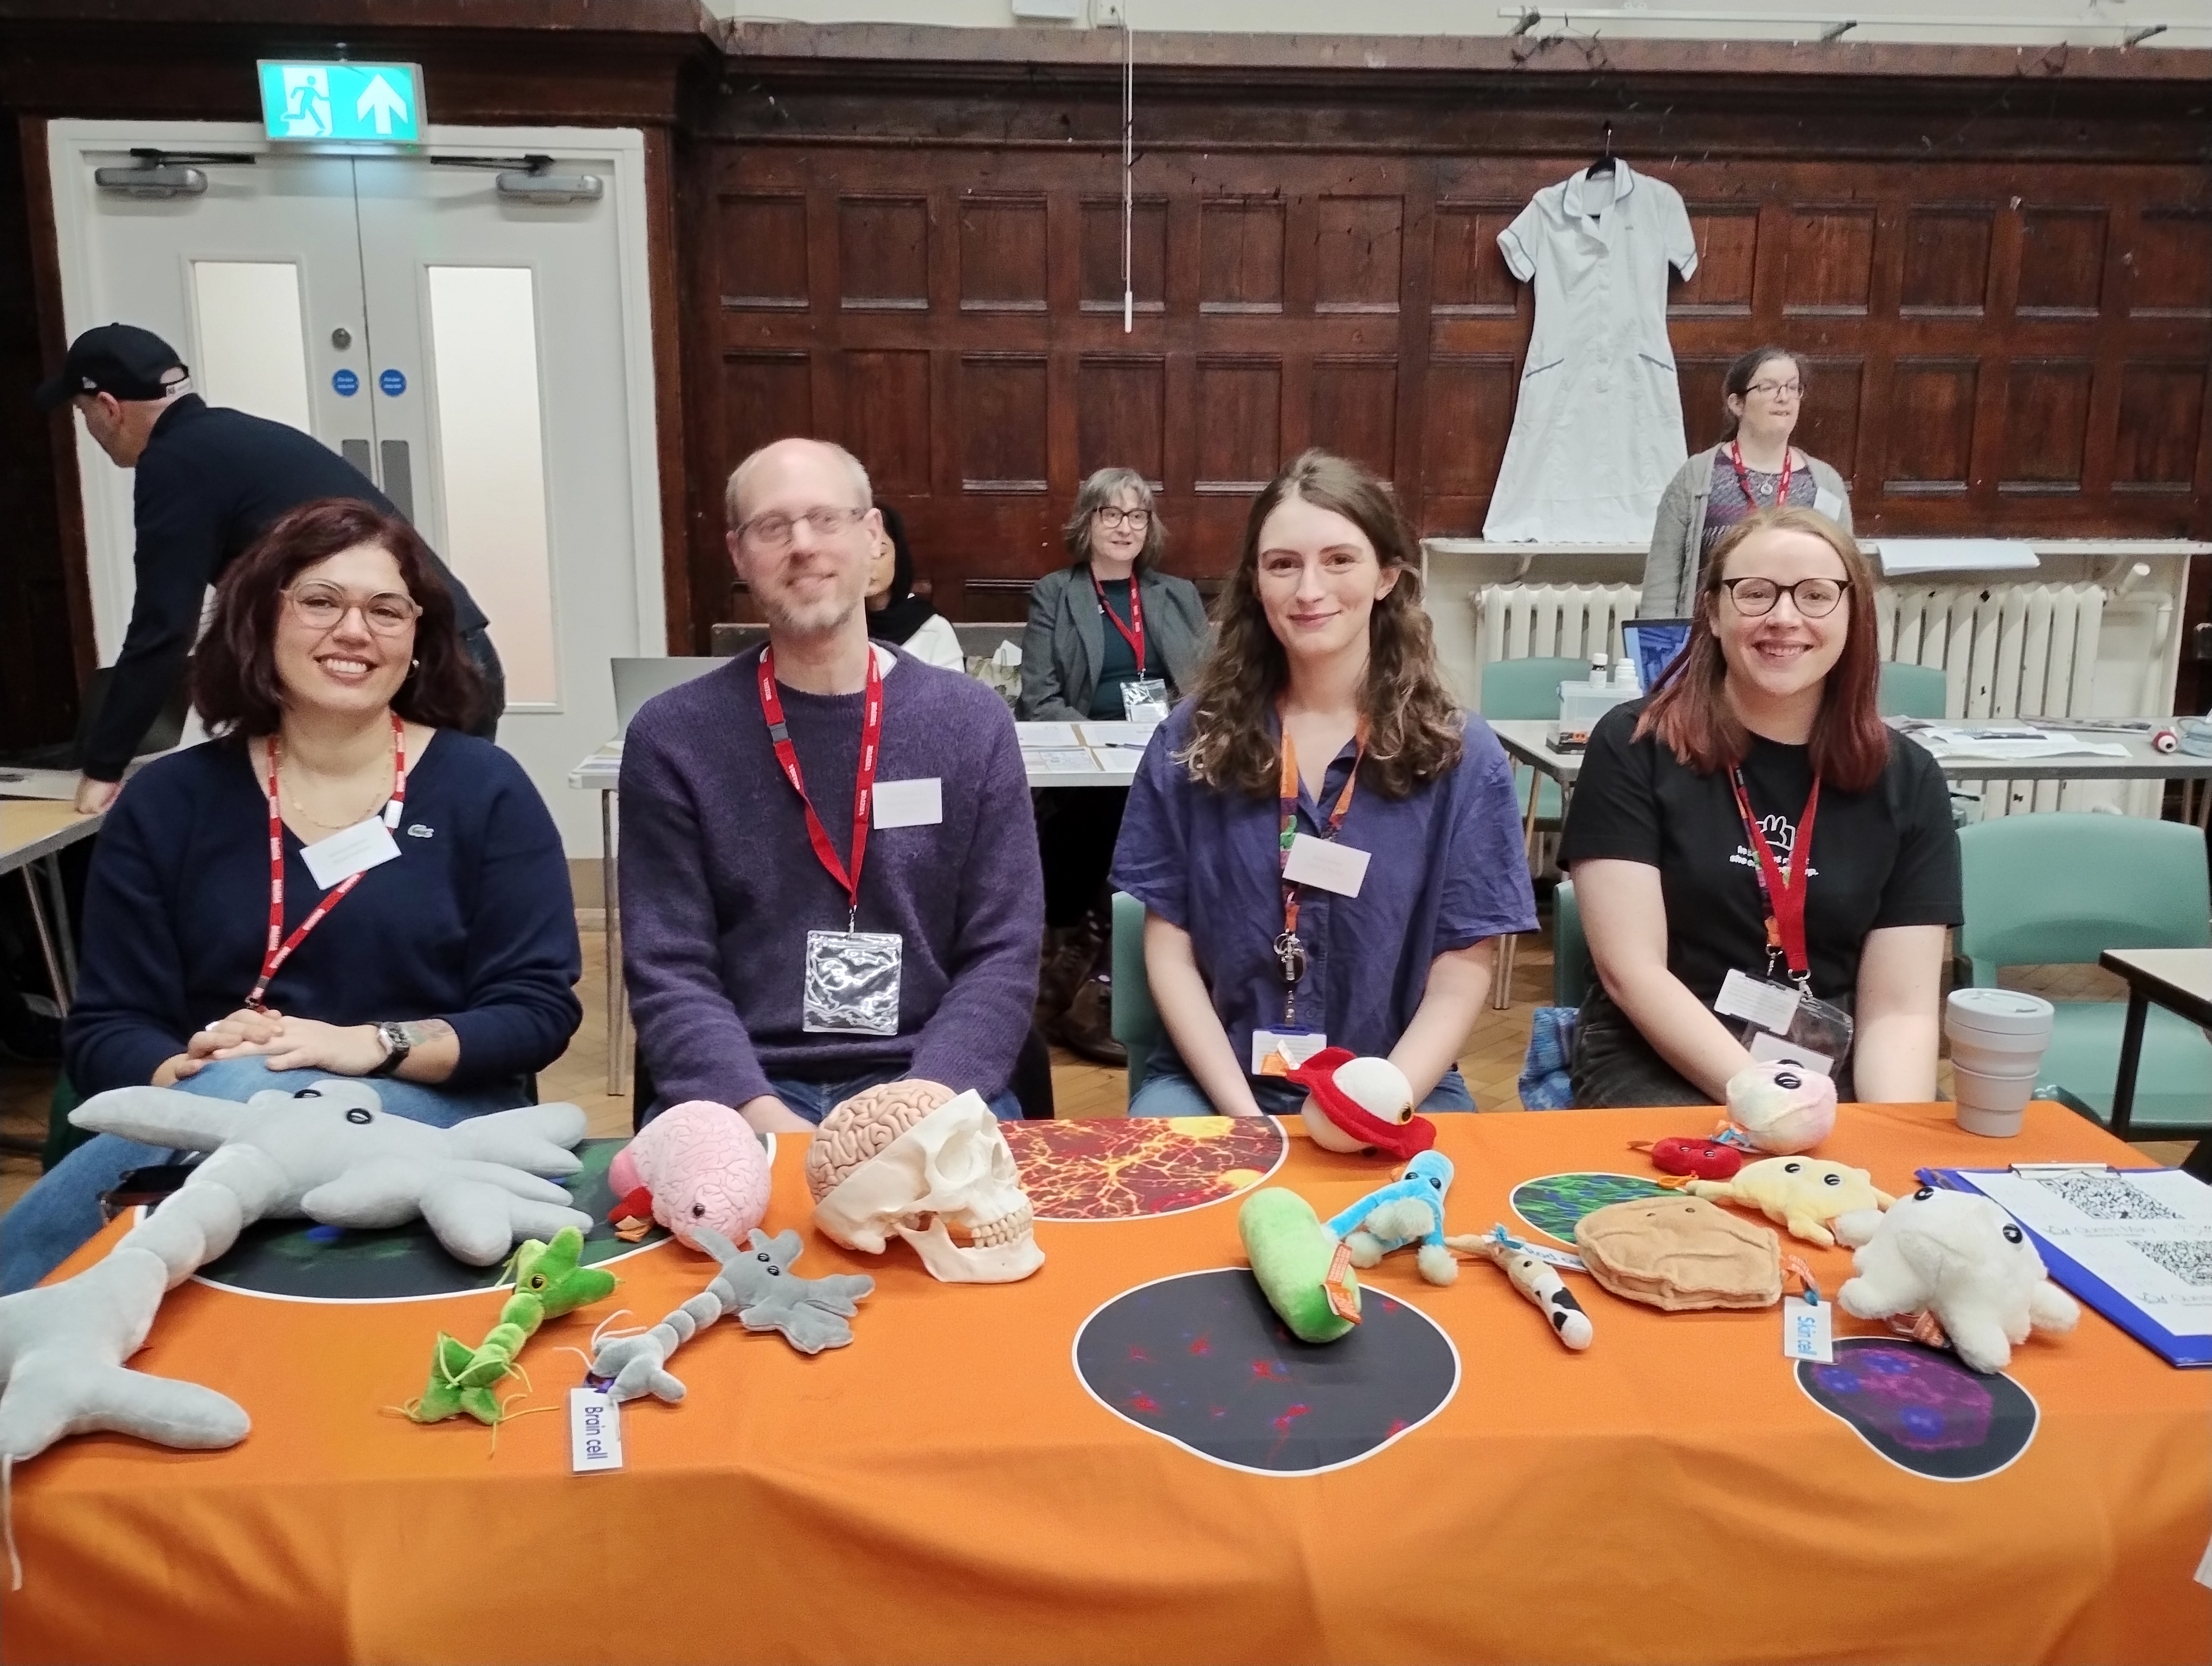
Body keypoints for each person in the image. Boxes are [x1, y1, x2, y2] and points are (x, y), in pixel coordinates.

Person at [0, 499, 581, 1294]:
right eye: (319, 601)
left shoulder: (485, 791)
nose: (355, 631)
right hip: (209, 1125)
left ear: (418, 641)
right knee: (255, 1094)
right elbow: (107, 1029)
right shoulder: (167, 803)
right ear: (259, 621)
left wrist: (371, 1045)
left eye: (387, 610)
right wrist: (196, 1073)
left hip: (432, 1121)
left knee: (261, 1093)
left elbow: (536, 1012)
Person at [619, 439, 1043, 1133]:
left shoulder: (971, 724)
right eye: (772, 527)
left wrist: (920, 1104)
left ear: (872, 537)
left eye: (827, 519)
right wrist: (765, 1122)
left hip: (926, 1082)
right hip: (747, 1090)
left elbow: (1004, 951)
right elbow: (671, 970)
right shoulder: (673, 738)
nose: (803, 545)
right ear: (738, 553)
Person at [1111, 450, 1536, 1119]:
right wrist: (1246, 1120)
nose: (1310, 590)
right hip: (1214, 1084)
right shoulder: (1191, 739)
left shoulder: (1461, 755)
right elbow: (1169, 950)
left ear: (1388, 576)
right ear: (1256, 583)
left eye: (1340, 560)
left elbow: (1461, 971)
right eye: (1284, 564)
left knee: (1438, 1219)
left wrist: (1377, 1105)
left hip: (1399, 1083)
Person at [1562, 505, 1959, 1108]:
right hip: (1662, 1050)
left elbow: (1899, 1015)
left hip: (1830, 1053)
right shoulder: (1635, 744)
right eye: (1754, 594)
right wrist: (1766, 1099)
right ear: (1714, 614)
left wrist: (1887, 1139)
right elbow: (1632, 973)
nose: (1784, 617)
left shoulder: (1909, 778)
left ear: (1854, 615)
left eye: (1816, 596)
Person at [36, 323, 504, 815]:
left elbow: (163, 627)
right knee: (422, 856)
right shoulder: (238, 437)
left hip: (417, 672)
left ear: (109, 407)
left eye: (82, 413)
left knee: (393, 865)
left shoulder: (176, 463)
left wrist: (103, 768)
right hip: (458, 658)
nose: (88, 428)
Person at [1019, 468, 1210, 1064]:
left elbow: (1207, 690)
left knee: (1157, 806)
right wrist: (1098, 743)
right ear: (1089, 521)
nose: (1125, 527)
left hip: (1165, 754)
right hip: (1084, 762)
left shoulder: (1175, 594)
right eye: (1112, 514)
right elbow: (1038, 697)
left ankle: (1089, 977)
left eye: (1137, 516)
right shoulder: (1057, 592)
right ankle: (1096, 984)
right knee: (1112, 809)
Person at [1641, 345, 1854, 618]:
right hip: (1709, 643)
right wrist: (1657, 652)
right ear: (1737, 404)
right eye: (1769, 387)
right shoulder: (1696, 476)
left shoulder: (1824, 483)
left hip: (1793, 639)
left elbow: (1846, 578)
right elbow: (1663, 579)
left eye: (1793, 387)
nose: (1784, 398)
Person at [865, 503, 964, 671]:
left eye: (880, 554)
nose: (869, 565)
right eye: (860, 554)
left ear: (899, 556)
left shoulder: (932, 630)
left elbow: (953, 695)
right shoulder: (836, 626)